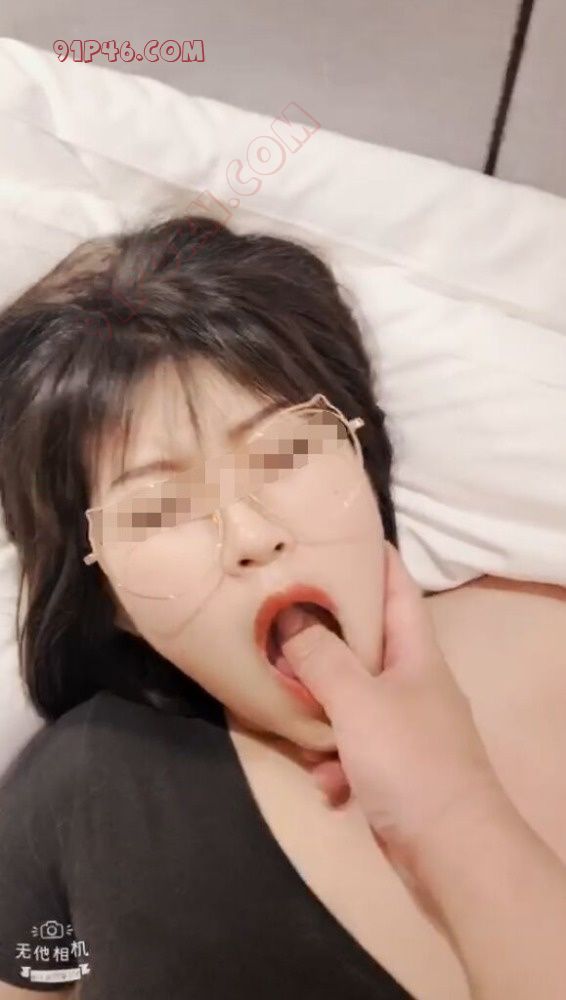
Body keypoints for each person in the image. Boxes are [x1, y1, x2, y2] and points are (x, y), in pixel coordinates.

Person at [0, 211, 564, 999]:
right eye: (158, 509)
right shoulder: (82, 792)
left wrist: (451, 813)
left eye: (289, 448)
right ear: (112, 600)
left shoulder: (551, 644)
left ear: (364, 461)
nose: (251, 535)